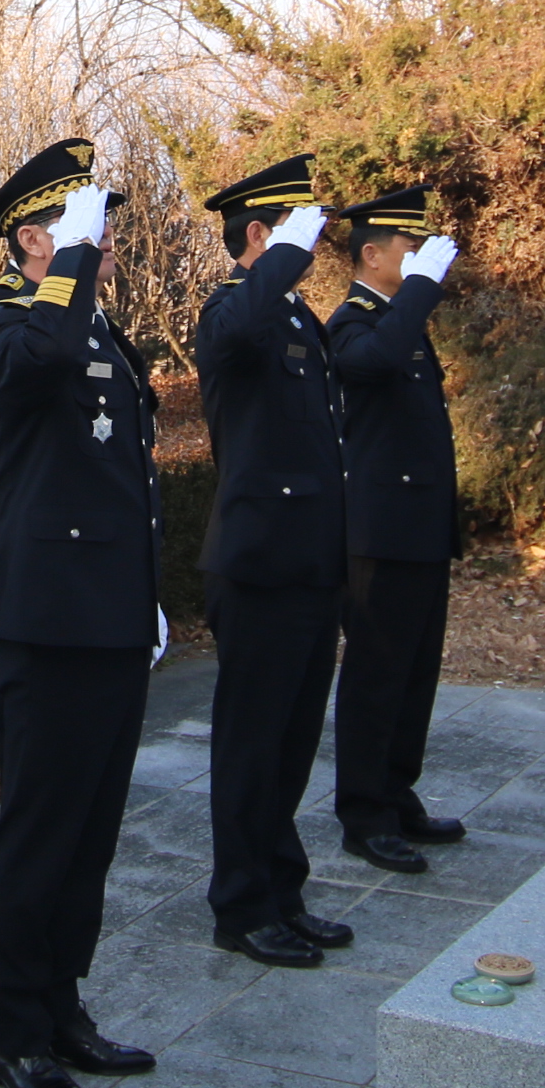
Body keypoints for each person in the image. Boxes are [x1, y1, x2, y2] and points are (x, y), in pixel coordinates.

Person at [0, 140, 165, 1088]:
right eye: (90, 229)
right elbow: (40, 362)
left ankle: (61, 1003)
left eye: (105, 230)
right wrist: (74, 267)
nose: (108, 244)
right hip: (46, 622)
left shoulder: (96, 325)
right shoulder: (9, 323)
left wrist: (145, 592)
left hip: (108, 612)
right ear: (35, 238)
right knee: (41, 831)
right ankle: (12, 1033)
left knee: (90, 831)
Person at [191, 155, 354, 969]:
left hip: (307, 559)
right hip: (257, 562)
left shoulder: (293, 315)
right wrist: (280, 259)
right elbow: (234, 335)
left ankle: (283, 890)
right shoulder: (232, 310)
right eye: (294, 230)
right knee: (252, 745)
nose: (312, 245)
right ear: (259, 234)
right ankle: (242, 905)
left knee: (291, 742)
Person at [324, 186, 468, 879]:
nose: (420, 261)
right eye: (409, 249)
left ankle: (396, 791)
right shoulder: (352, 322)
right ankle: (364, 813)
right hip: (377, 534)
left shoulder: (396, 319)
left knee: (415, 673)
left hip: (419, 527)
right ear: (372, 256)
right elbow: (373, 364)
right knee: (377, 676)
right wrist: (420, 292)